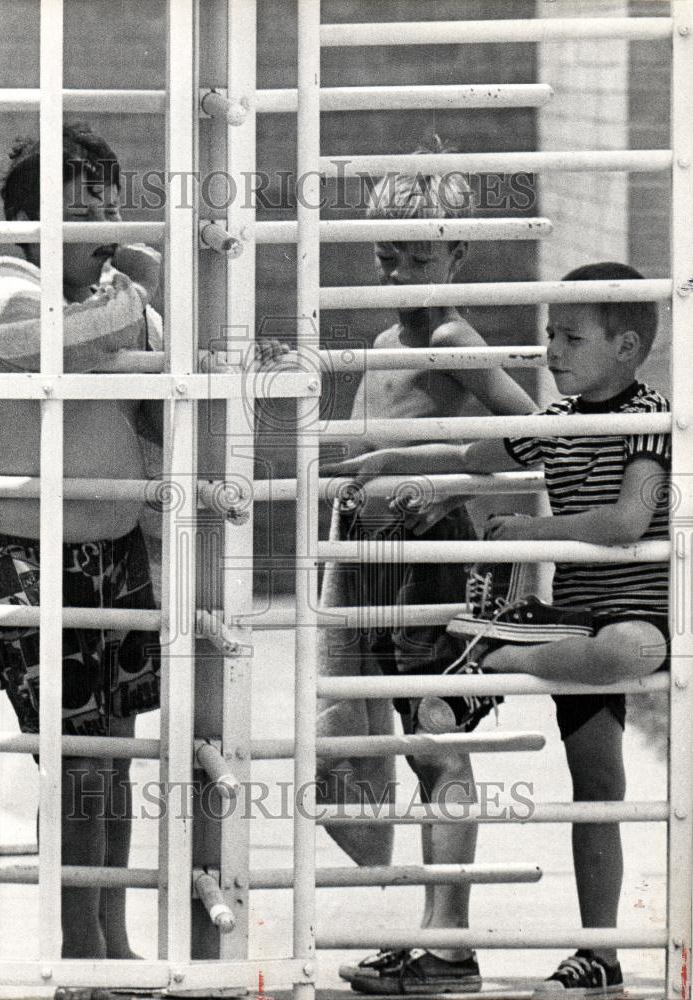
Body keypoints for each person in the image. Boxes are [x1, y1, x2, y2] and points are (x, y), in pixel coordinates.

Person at [341, 262, 670, 997]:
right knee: (596, 780)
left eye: (569, 338)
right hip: (572, 624)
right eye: (548, 334)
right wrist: (392, 459)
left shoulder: (647, 422)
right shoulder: (549, 425)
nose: (550, 351)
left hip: (628, 620)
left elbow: (626, 522)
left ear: (624, 347)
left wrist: (533, 525)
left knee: (621, 690)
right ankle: (599, 957)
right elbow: (468, 458)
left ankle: (489, 658)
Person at [324, 140, 538, 996]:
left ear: (458, 255)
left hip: (429, 569)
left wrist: (439, 475)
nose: (400, 268)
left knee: (435, 743)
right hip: (372, 563)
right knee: (405, 746)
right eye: (387, 252)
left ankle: (447, 942)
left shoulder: (452, 336)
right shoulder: (384, 337)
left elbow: (529, 435)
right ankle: (429, 933)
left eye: (418, 254)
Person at [0, 122, 165, 960]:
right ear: (30, 220)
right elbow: (23, 337)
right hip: (26, 554)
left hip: (114, 547)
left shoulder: (115, 300)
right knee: (74, 763)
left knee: (113, 762)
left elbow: (156, 413)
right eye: (82, 208)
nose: (105, 222)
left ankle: (111, 937)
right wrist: (142, 292)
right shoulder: (2, 283)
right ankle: (79, 952)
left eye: (109, 203)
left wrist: (149, 316)